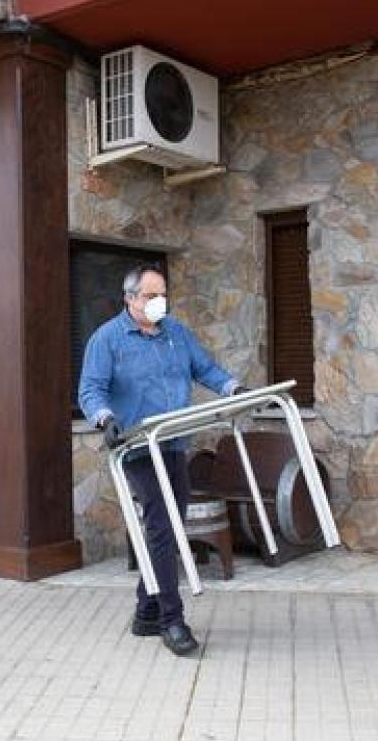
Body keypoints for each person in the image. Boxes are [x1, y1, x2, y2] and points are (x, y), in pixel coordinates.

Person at [78, 263, 245, 656]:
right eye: (151, 296)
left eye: (162, 294)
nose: (159, 302)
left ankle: (145, 611)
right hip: (137, 448)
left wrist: (234, 389)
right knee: (161, 525)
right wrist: (105, 419)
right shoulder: (107, 339)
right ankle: (172, 619)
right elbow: (90, 389)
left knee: (169, 524)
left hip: (172, 445)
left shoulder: (176, 334)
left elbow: (206, 369)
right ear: (130, 299)